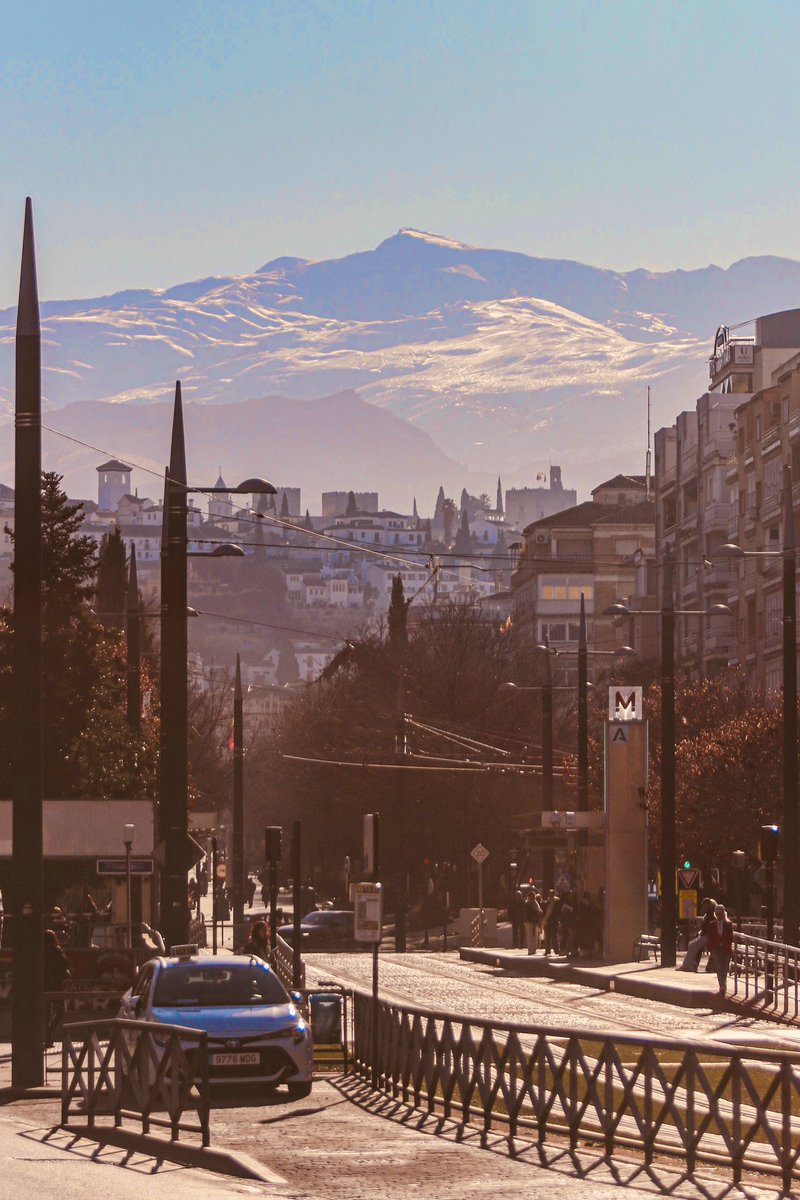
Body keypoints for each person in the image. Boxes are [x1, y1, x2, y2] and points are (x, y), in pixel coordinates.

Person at [43, 928, 70, 1045]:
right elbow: (65, 963)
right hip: (56, 984)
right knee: (61, 1011)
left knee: (46, 1012)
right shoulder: (56, 950)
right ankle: (48, 1032)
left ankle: (47, 1036)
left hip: (44, 984)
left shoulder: (40, 951)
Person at [679, 897, 717, 972]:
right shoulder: (708, 914)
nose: (703, 907)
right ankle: (690, 965)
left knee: (692, 945)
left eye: (705, 905)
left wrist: (701, 932)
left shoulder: (710, 915)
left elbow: (707, 927)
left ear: (708, 905)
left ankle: (687, 965)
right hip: (705, 936)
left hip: (707, 937)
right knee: (692, 945)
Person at [706, 903, 734, 994]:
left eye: (720, 913)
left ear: (723, 913)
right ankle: (722, 986)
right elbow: (710, 937)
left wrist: (727, 946)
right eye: (717, 914)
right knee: (718, 967)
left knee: (725, 968)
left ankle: (723, 984)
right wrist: (711, 949)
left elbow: (730, 937)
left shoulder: (728, 924)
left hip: (726, 949)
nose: (719, 915)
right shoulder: (712, 924)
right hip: (716, 949)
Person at [523, 889, 542, 955]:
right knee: (530, 935)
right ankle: (530, 950)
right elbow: (528, 913)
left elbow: (539, 911)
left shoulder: (535, 903)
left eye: (534, 896)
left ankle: (534, 950)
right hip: (529, 922)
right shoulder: (527, 904)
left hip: (535, 922)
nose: (533, 897)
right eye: (532, 896)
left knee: (535, 936)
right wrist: (534, 916)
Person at [542, 890, 561, 955]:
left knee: (554, 936)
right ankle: (547, 950)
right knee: (547, 937)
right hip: (547, 921)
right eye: (549, 894)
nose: (549, 895)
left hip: (553, 921)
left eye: (550, 894)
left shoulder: (556, 901)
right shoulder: (547, 901)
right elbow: (544, 911)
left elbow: (557, 912)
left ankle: (556, 950)